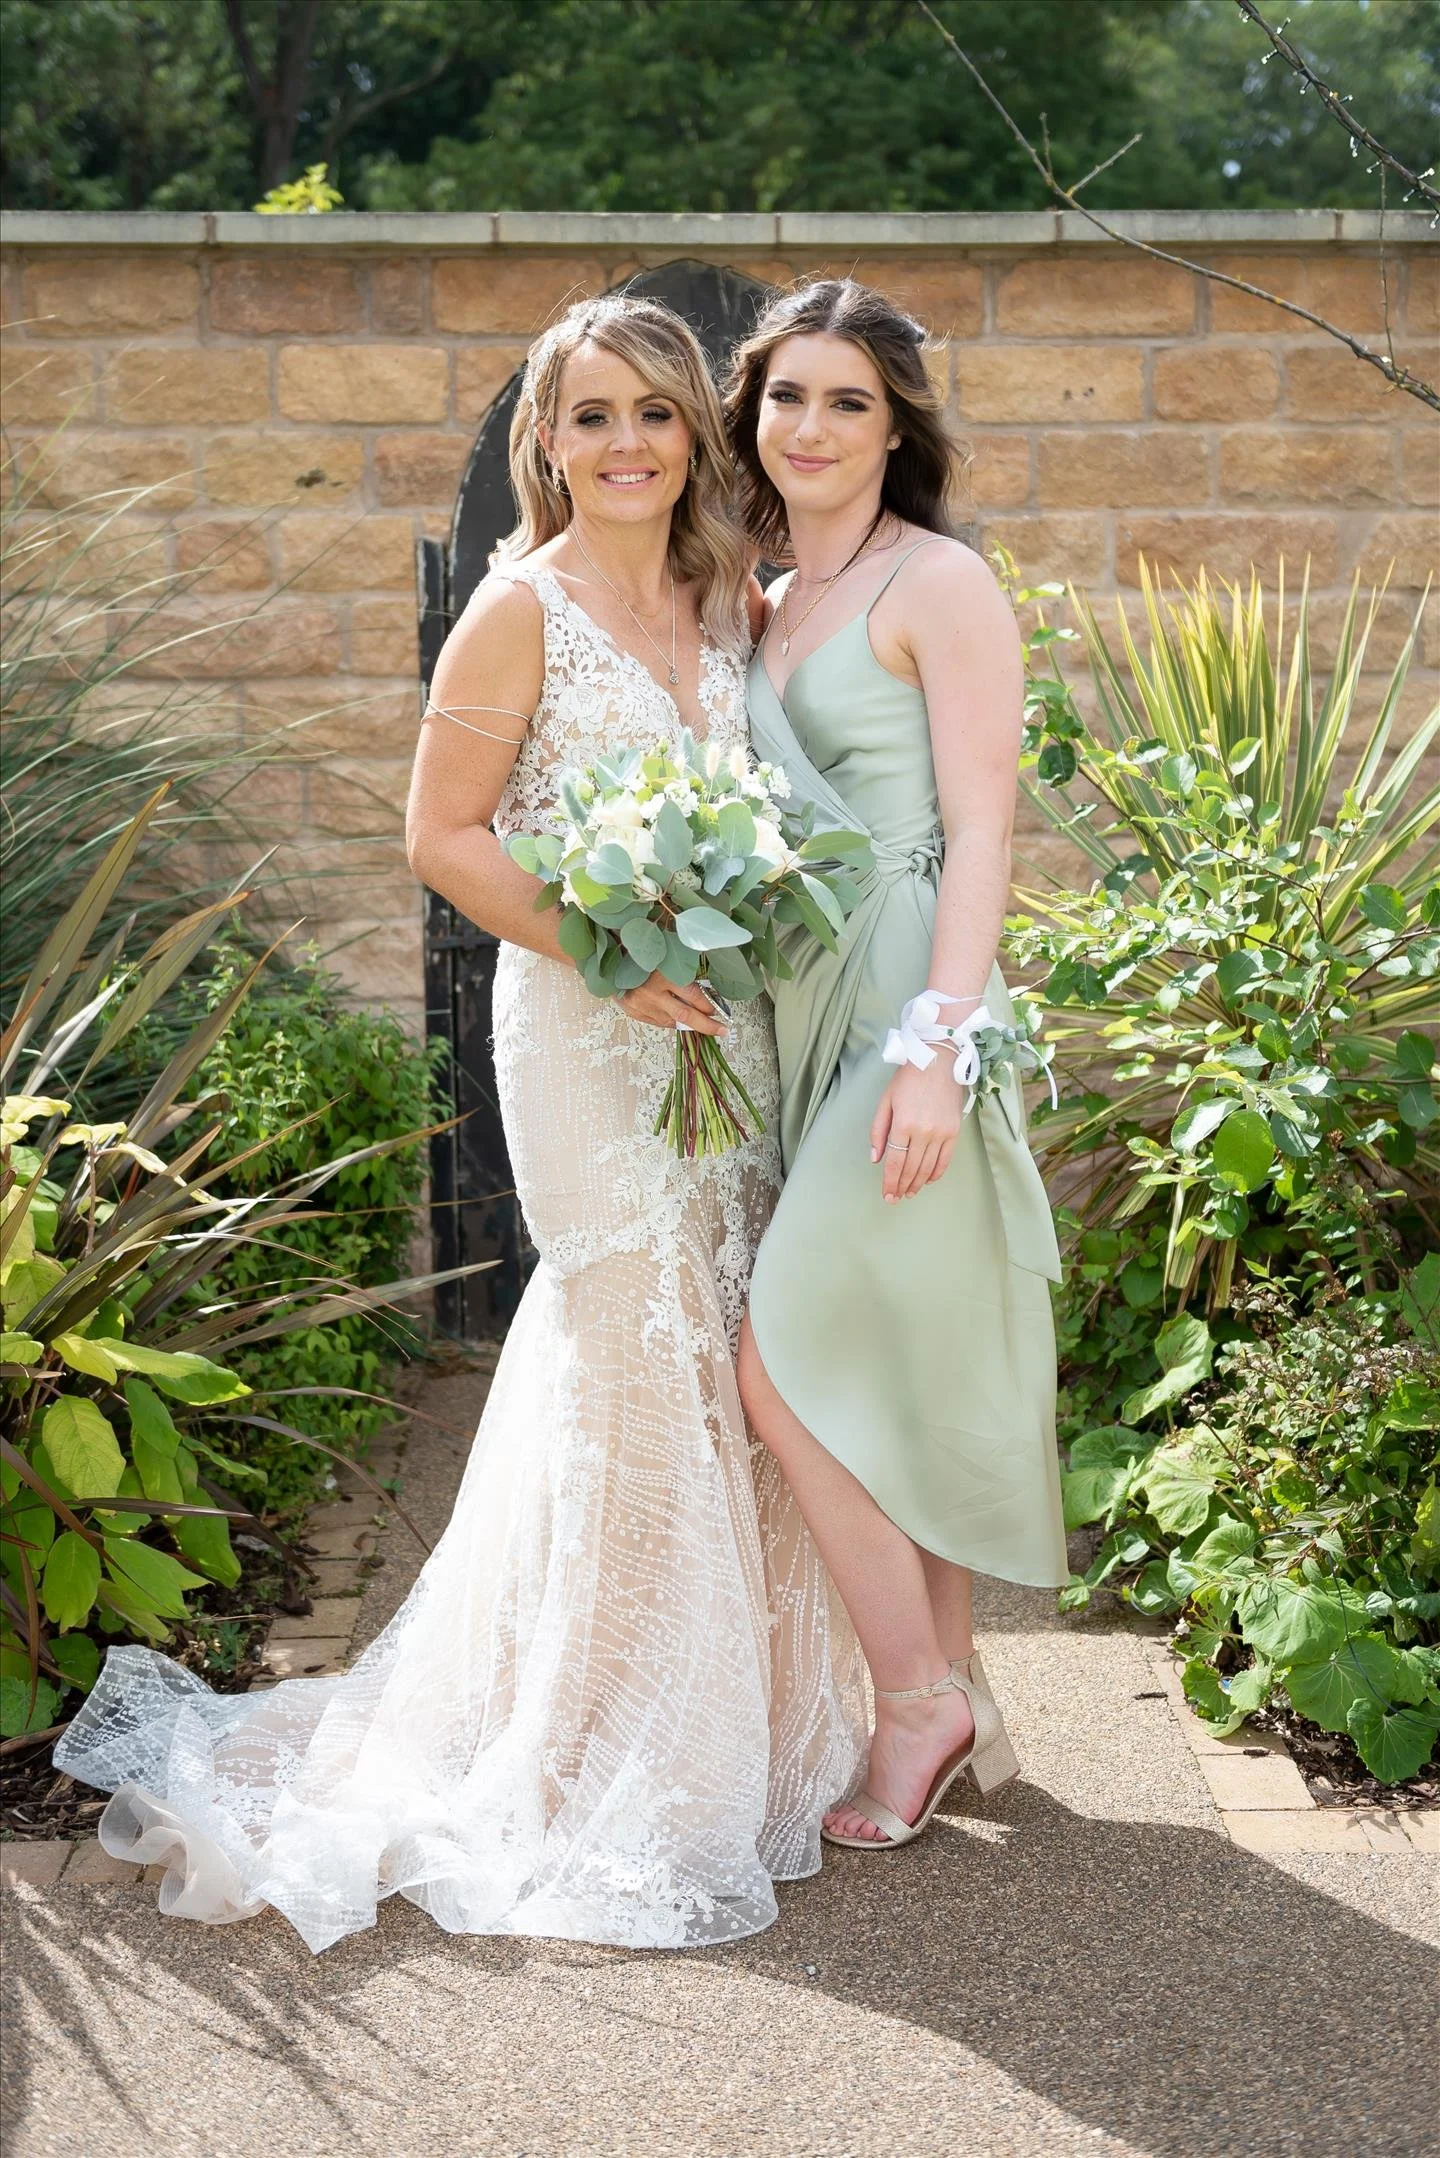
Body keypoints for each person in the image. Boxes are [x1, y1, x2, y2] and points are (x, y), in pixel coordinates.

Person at [57, 294, 863, 1952]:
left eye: (654, 412)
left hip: (721, 1025)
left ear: (693, 431)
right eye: (592, 416)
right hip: (584, 1019)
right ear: (546, 441)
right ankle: (596, 1742)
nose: (626, 444)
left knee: (723, 1324)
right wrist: (612, 949)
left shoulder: (725, 593)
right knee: (627, 1334)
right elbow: (442, 835)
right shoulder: (517, 608)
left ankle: (746, 1711)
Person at [725, 278, 1067, 1851]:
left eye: (847, 400)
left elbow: (986, 829)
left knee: (777, 1364)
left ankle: (915, 1697)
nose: (811, 426)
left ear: (894, 425)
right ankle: (964, 1690)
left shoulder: (941, 581)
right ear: (753, 413)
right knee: (886, 1364)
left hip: (909, 1003)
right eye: (787, 395)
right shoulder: (762, 599)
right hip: (803, 1007)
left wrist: (938, 1049)